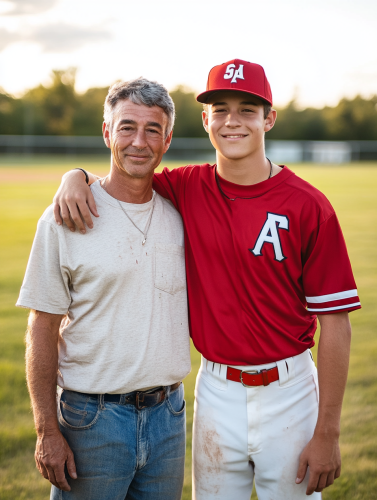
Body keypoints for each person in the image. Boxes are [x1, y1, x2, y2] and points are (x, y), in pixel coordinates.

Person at [53, 59, 361, 499]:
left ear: (269, 118)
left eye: (247, 110)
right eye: (220, 109)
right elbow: (127, 175)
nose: (232, 121)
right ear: (205, 120)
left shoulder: (308, 205)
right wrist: (76, 176)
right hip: (216, 389)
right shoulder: (186, 187)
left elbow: (336, 323)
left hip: (289, 388)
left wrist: (328, 431)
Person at [16, 78, 191, 500]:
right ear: (106, 131)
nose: (139, 141)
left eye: (153, 129)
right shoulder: (65, 216)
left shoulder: (182, 213)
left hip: (169, 415)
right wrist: (46, 430)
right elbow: (42, 326)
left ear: (167, 139)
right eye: (126, 126)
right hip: (91, 419)